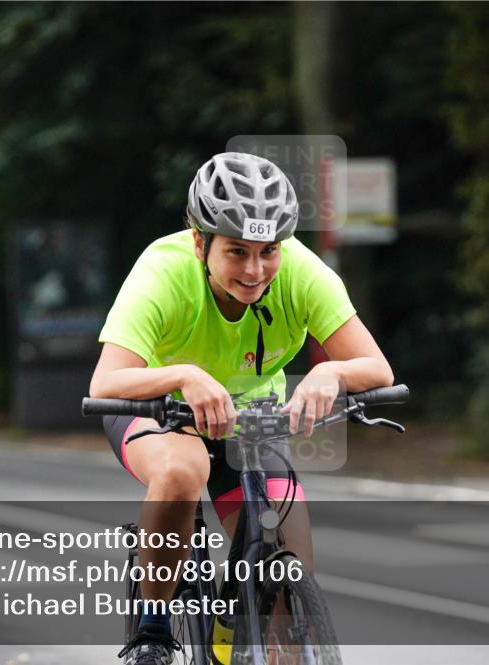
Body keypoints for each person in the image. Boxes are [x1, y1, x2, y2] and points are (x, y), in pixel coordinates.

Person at [90, 152, 393, 664]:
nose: (255, 270)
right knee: (184, 471)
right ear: (200, 243)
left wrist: (331, 373)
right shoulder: (162, 271)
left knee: (289, 580)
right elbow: (107, 381)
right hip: (160, 408)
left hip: (250, 419)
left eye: (268, 251)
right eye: (236, 251)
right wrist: (184, 377)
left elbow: (375, 367)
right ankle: (153, 630)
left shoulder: (301, 271)